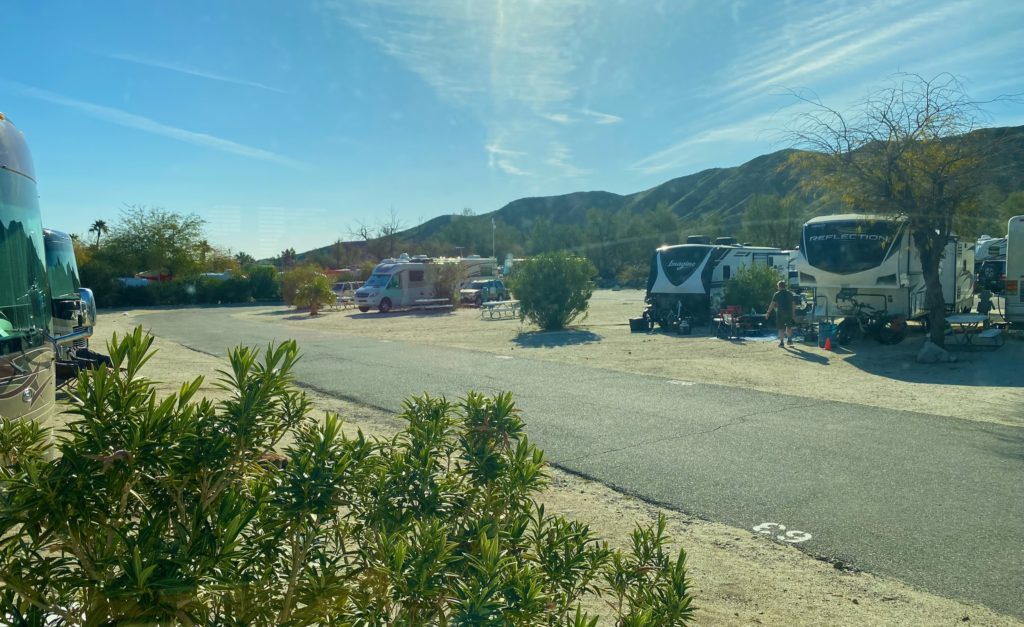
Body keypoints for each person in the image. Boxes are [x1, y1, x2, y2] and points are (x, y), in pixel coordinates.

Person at [766, 280, 797, 348]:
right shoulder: (790, 293)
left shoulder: (777, 294)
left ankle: (782, 342)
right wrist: (793, 314)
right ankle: (789, 339)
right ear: (785, 286)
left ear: (779, 286)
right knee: (789, 327)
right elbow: (793, 304)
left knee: (781, 328)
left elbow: (772, 304)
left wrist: (768, 312)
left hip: (780, 313)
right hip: (789, 313)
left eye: (778, 286)